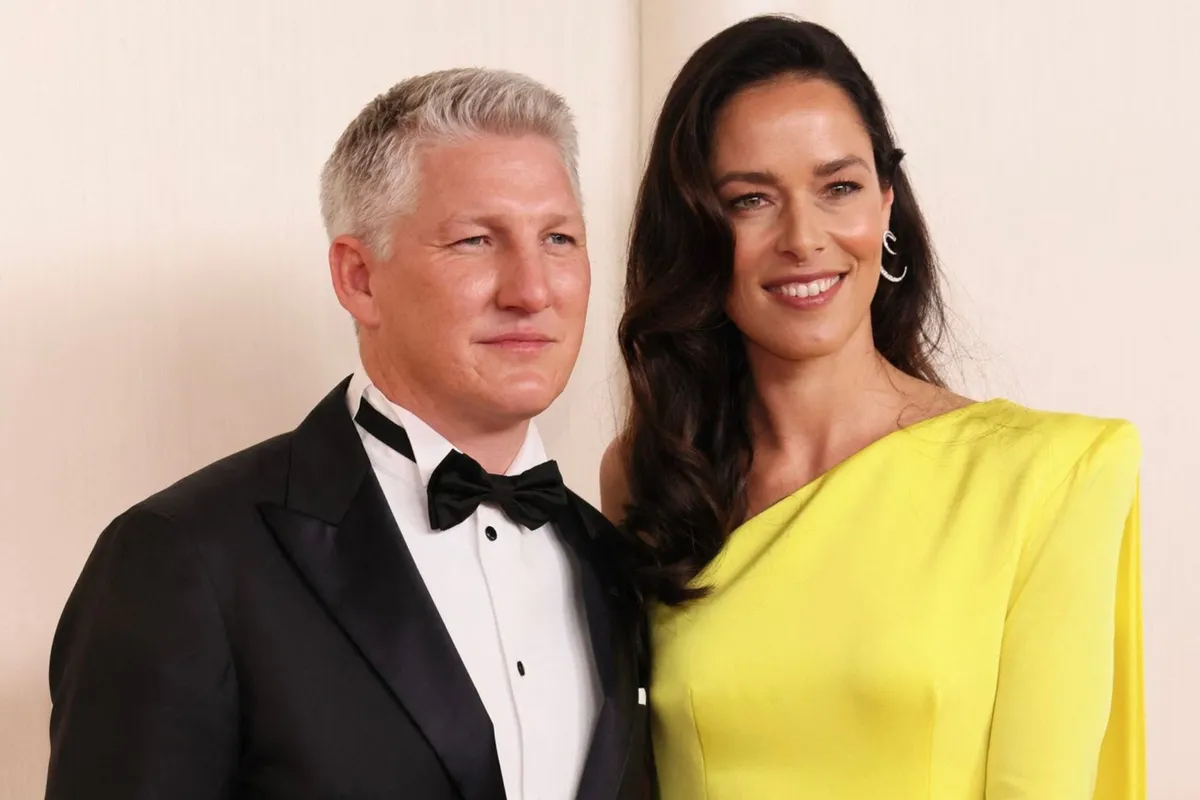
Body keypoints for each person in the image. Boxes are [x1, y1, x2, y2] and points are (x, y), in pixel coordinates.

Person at [47, 68, 649, 800]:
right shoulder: (184, 558)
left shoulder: (618, 561)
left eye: (559, 238)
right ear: (359, 278)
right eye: (474, 241)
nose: (532, 289)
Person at [601, 15, 1143, 800]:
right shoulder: (654, 473)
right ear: (694, 230)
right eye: (750, 199)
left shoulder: (1049, 476)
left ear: (886, 205)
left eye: (839, 188)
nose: (803, 238)